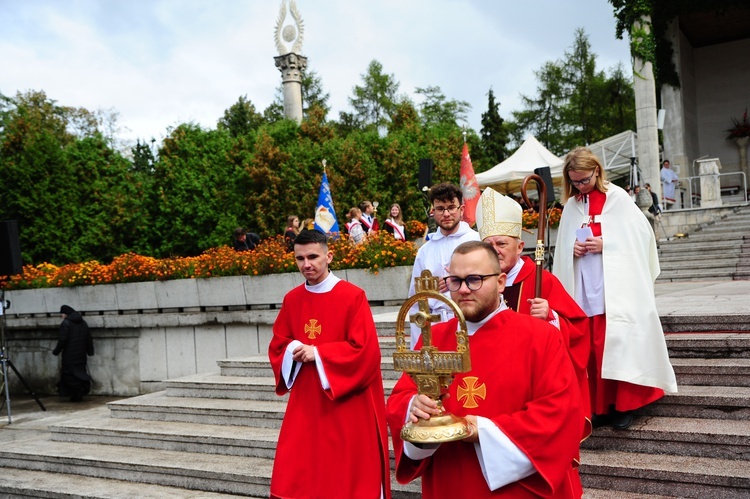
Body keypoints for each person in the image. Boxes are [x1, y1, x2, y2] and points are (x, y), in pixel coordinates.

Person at [387, 241, 583, 498]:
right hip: (450, 481)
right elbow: (401, 398)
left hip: (518, 489)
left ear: (501, 282)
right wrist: (414, 406)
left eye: (475, 279)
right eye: (455, 281)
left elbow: (560, 412)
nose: (464, 290)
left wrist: (482, 431)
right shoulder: (434, 338)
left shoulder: (541, 337)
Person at [553, 147, 677, 430]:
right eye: (575, 181)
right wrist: (570, 249)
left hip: (615, 287)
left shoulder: (618, 198)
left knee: (615, 342)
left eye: (584, 179)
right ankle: (598, 407)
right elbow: (561, 248)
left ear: (597, 171)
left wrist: (605, 243)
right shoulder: (572, 206)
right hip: (584, 286)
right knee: (592, 349)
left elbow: (641, 237)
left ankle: (625, 405)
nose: (581, 186)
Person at [268, 229, 391, 499]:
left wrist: (320, 354)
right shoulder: (292, 299)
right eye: (300, 258)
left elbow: (366, 352)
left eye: (313, 256)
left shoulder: (352, 296)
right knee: (302, 475)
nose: (306, 264)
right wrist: (292, 349)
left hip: (345, 402)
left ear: (329, 256)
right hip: (307, 401)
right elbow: (278, 343)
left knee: (344, 478)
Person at [476, 187, 591, 438]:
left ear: (519, 247)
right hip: (492, 383)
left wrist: (552, 317)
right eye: (488, 244)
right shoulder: (477, 284)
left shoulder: (543, 281)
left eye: (501, 243)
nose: (495, 249)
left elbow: (580, 332)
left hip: (531, 383)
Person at [407, 182, 480, 347]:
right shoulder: (425, 251)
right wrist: (418, 346)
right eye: (440, 209)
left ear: (461, 209)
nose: (446, 213)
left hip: (470, 322)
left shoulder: (477, 241)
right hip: (436, 325)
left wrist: (457, 280)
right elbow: (415, 301)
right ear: (433, 212)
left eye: (451, 207)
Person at [53, 305, 94, 402]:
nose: (61, 316)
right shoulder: (83, 323)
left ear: (66, 314)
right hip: (81, 355)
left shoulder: (66, 323)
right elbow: (89, 338)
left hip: (69, 355)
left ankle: (76, 391)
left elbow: (62, 339)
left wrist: (56, 351)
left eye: (61, 314)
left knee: (69, 375)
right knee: (80, 372)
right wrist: (90, 351)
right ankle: (81, 389)